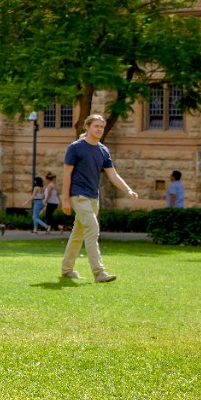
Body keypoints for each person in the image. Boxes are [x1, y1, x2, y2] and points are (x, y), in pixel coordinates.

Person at [61, 114, 138, 282]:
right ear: (87, 127)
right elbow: (67, 174)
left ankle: (67, 270)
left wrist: (128, 190)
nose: (99, 129)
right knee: (93, 230)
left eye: (101, 127)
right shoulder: (75, 147)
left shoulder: (103, 150)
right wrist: (65, 199)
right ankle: (99, 272)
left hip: (93, 197)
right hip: (78, 195)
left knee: (78, 234)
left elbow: (113, 174)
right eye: (96, 126)